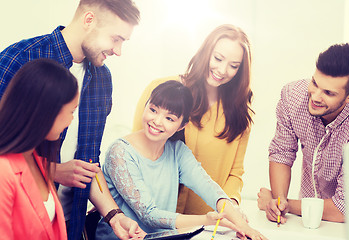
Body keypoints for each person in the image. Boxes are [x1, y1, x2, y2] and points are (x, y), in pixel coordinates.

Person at [0, 1, 145, 239]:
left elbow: (88, 163)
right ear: (89, 20)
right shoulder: (20, 59)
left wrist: (114, 216)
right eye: (116, 38)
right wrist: (52, 171)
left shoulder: (102, 79)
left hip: (70, 223)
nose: (118, 51)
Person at [96, 80, 266, 240]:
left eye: (169, 118)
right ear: (146, 105)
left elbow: (209, 188)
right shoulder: (120, 152)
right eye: (153, 110)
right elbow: (148, 215)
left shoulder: (177, 151)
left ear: (182, 125)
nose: (156, 121)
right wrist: (205, 220)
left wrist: (244, 226)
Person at [132, 24, 253, 215]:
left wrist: (230, 206)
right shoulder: (162, 89)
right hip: (152, 217)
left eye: (234, 66)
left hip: (207, 222)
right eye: (218, 58)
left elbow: (235, 174)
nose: (222, 70)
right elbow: (134, 152)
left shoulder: (239, 114)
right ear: (206, 52)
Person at [257, 43, 349, 224]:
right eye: (314, 83)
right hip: (304, 218)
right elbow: (282, 153)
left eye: (328, 93)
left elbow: (345, 209)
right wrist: (278, 203)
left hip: (347, 225)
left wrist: (287, 204)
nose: (315, 96)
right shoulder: (292, 96)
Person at [0, 58, 78, 239]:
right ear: (47, 112)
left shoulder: (34, 157)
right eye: (72, 111)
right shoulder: (4, 171)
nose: (71, 120)